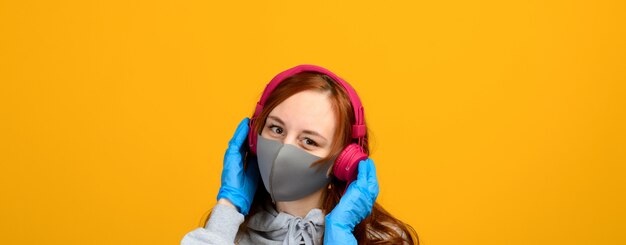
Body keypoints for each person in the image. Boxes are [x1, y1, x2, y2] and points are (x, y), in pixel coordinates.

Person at [181, 65, 419, 244]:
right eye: (276, 129)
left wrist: (338, 233)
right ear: (254, 137)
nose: (284, 148)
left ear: (343, 161)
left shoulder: (385, 239)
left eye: (308, 141)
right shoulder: (226, 233)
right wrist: (228, 207)